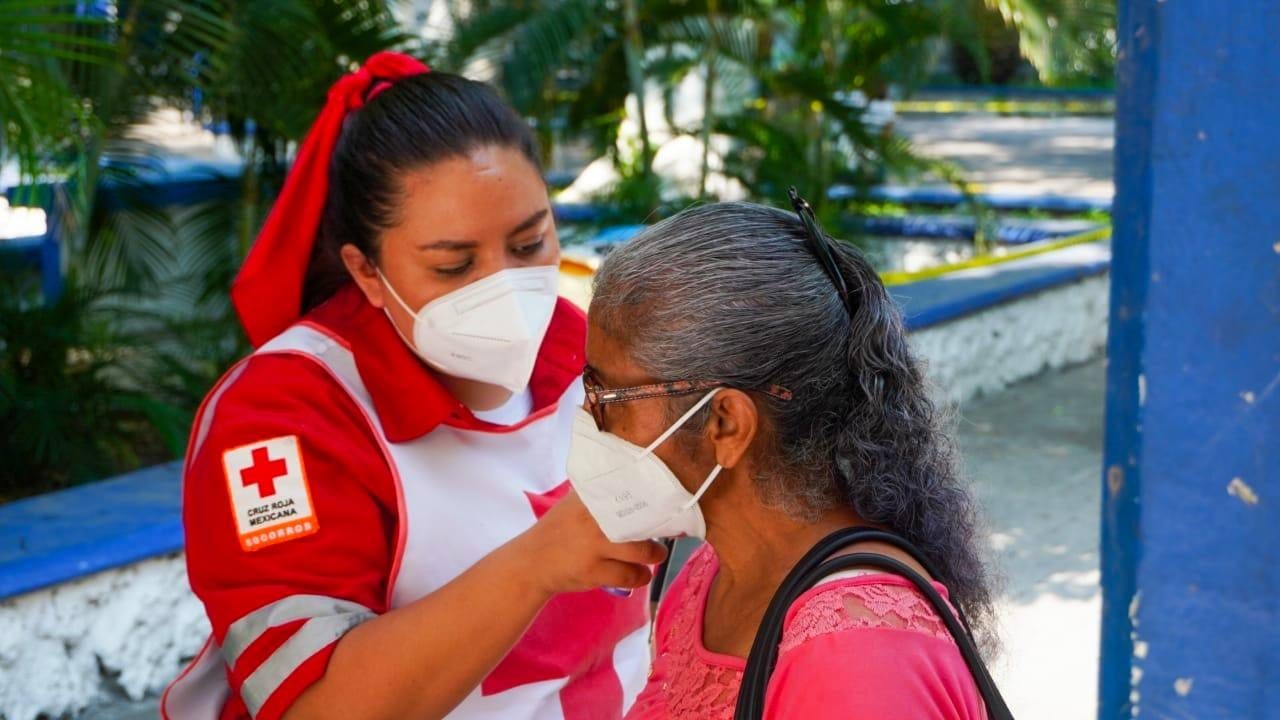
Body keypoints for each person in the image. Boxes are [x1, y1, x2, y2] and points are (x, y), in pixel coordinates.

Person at [162, 52, 665, 720]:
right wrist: (539, 563)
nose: (504, 289)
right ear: (367, 272)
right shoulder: (278, 420)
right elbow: (314, 706)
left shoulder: (590, 348)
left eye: (529, 244)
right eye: (454, 266)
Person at [568, 199, 999, 719]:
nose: (588, 418)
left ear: (725, 423)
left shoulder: (857, 662)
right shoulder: (713, 572)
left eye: (605, 397)